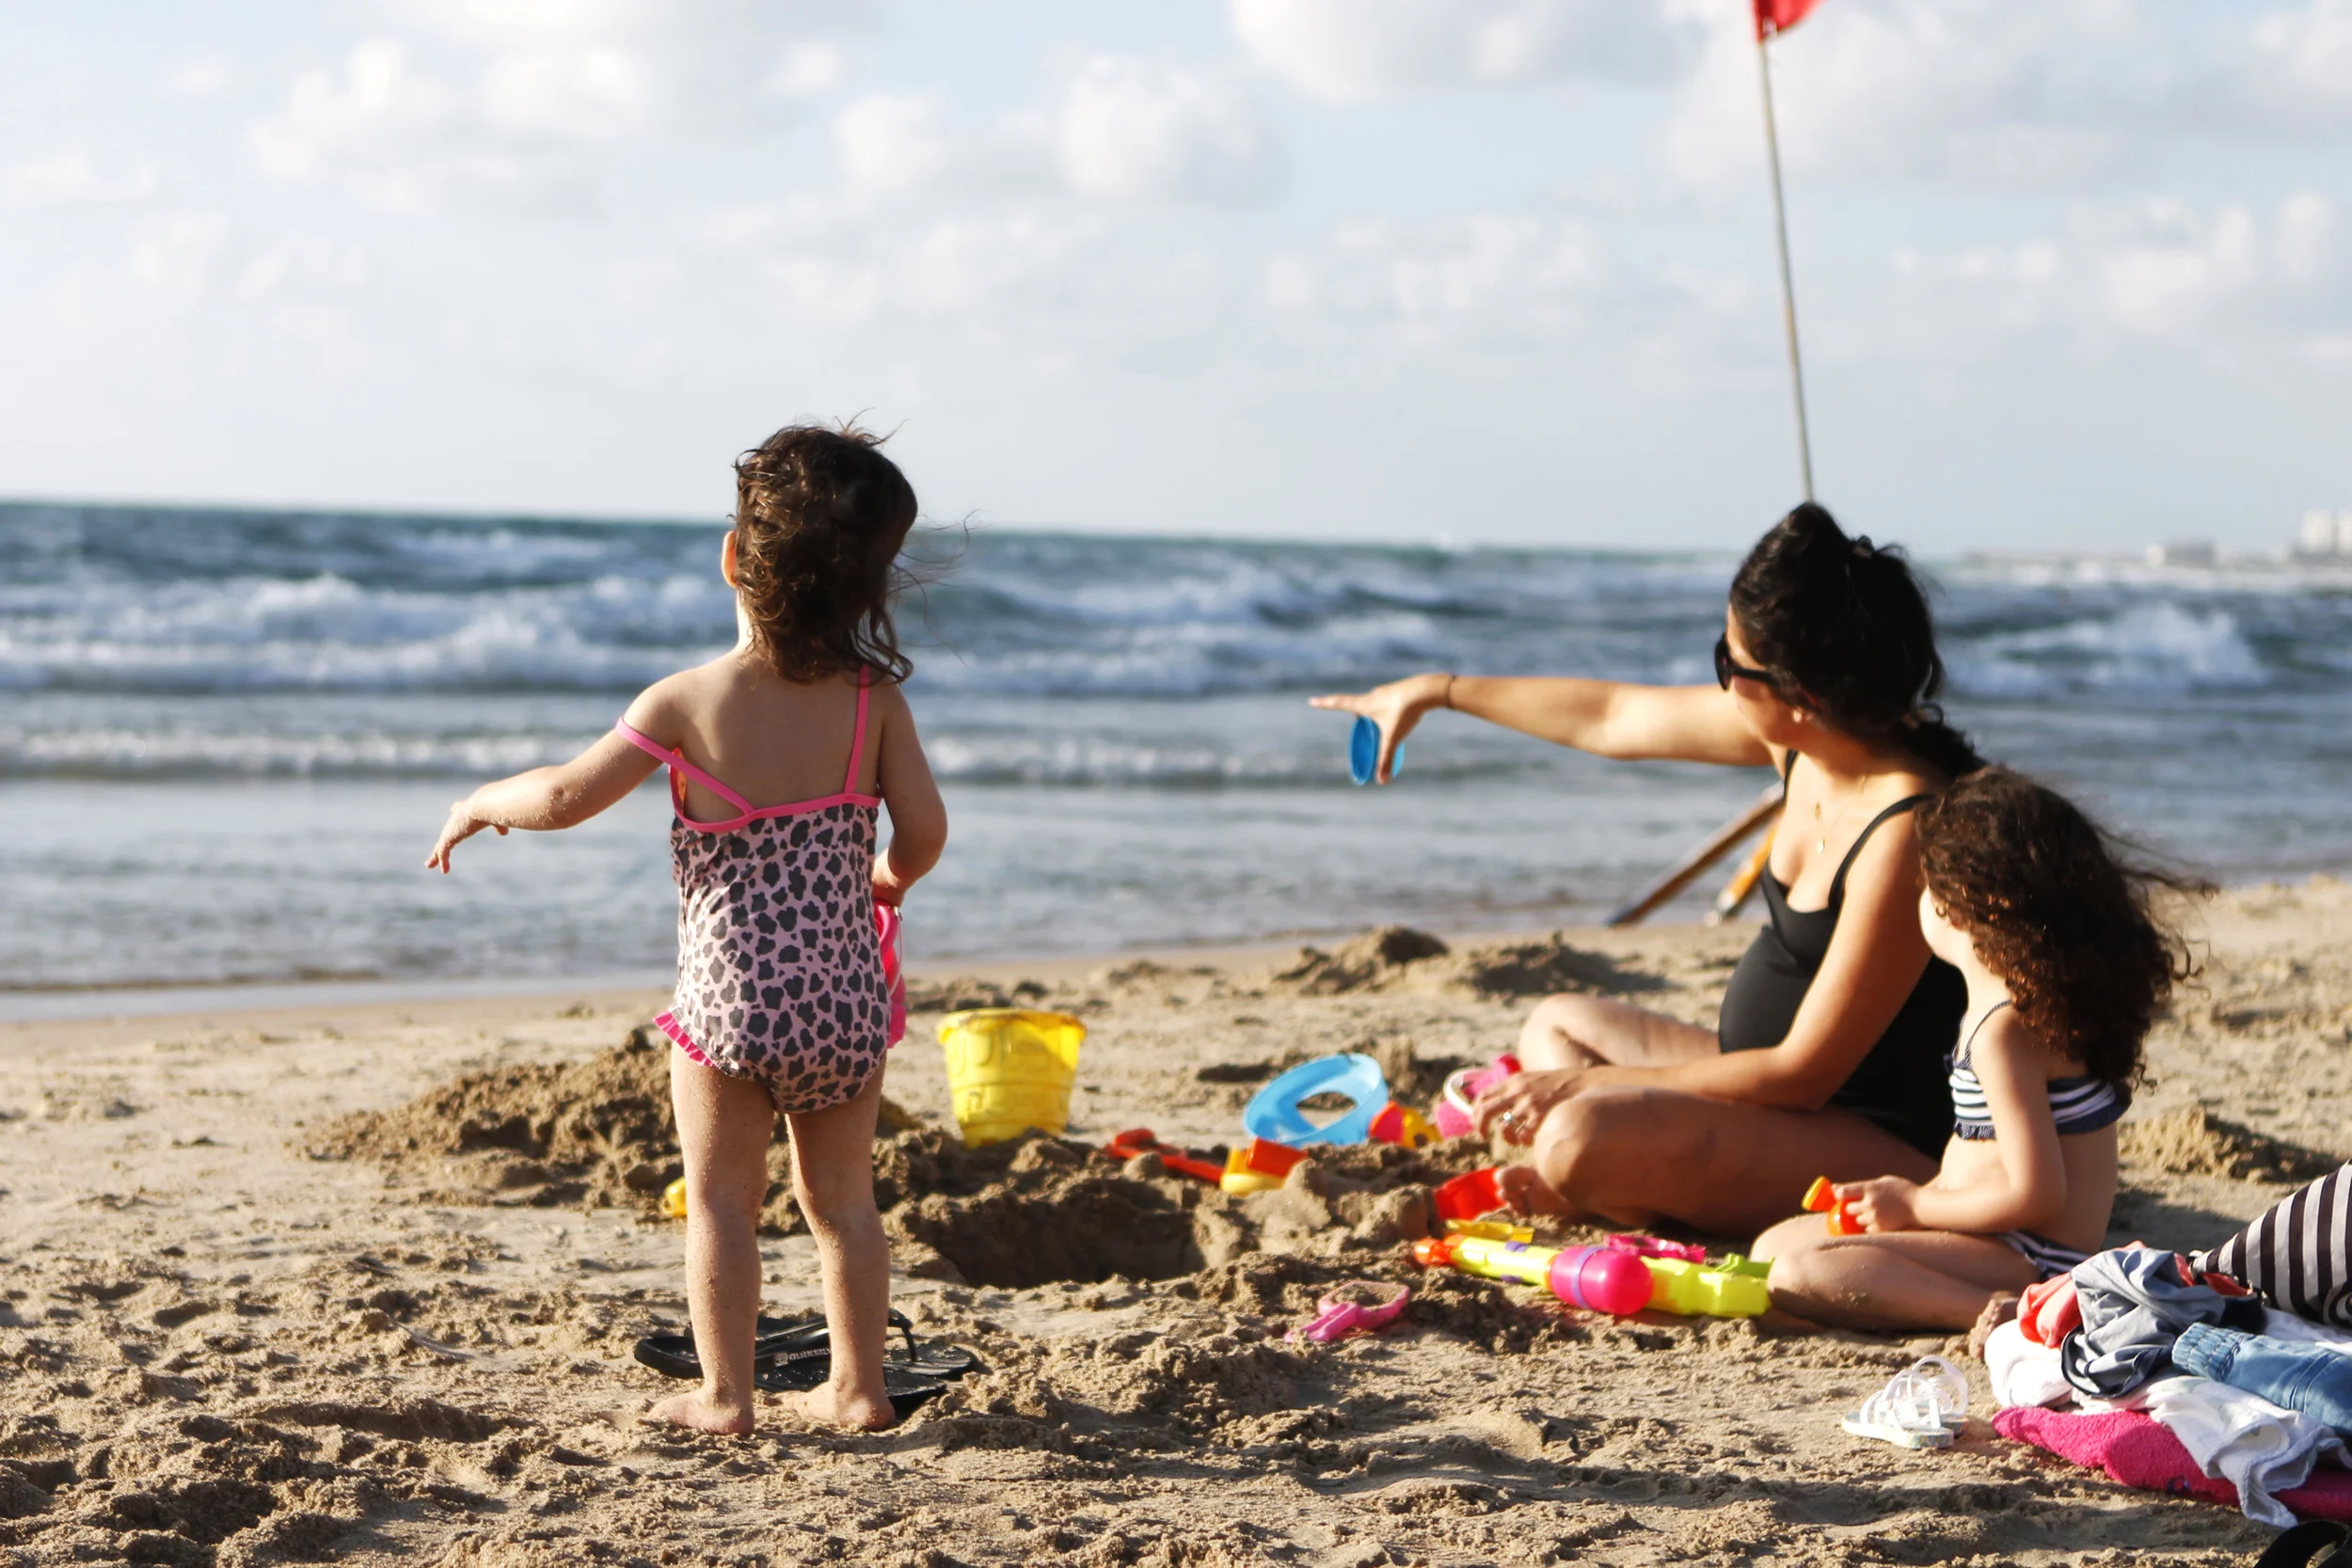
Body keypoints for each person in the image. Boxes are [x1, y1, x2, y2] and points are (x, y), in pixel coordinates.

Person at [425, 425, 947, 1433]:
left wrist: (482, 801)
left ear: (733, 557)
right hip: (846, 1002)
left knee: (719, 1201)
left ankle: (724, 1394)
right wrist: (885, 879)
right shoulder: (873, 703)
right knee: (844, 1203)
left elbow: (566, 796)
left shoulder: (684, 701)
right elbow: (923, 833)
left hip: (729, 1004)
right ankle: (859, 1388)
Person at [1312, 504, 1980, 1235]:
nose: (1723, 682)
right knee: (1556, 1023)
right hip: (1757, 1080)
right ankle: (1635, 1169)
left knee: (1577, 1134)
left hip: (1870, 1135)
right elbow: (1610, 716)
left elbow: (1803, 1073)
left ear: (1805, 696)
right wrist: (1437, 690)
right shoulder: (1806, 744)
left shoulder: (1903, 829)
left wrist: (1586, 1086)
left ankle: (1616, 1177)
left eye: (1730, 664)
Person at [1752, 767, 2192, 1332]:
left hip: (2031, 1257)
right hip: (1993, 1236)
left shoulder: (2004, 1032)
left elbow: (2036, 1193)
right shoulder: (2020, 1000)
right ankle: (1995, 1300)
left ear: (1959, 905)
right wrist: (1905, 1203)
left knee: (1799, 1271)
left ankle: (2011, 1316)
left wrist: (1914, 1206)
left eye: (1924, 886)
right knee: (1772, 1247)